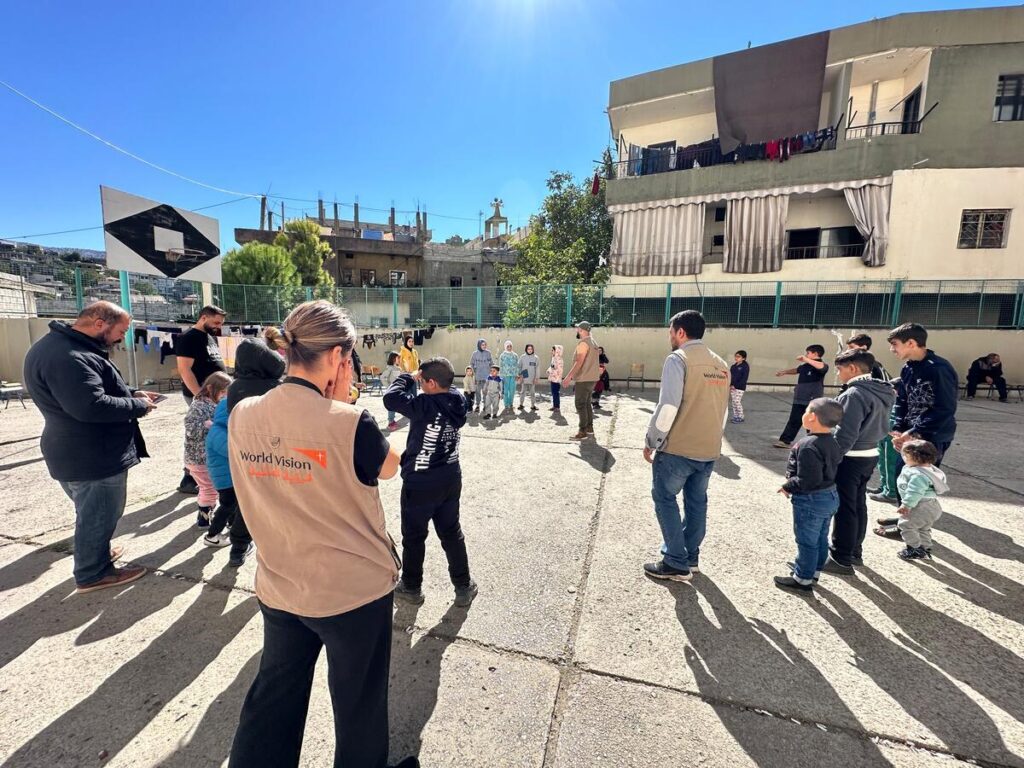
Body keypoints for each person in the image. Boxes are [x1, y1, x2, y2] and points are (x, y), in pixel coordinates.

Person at [226, 300, 412, 768]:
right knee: (359, 706)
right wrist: (344, 402)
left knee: (274, 697)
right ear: (336, 357)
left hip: (281, 583)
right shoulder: (351, 422)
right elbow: (389, 469)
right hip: (352, 593)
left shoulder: (242, 411)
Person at [23, 302, 156, 593]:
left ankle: (96, 553)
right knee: (99, 514)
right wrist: (138, 406)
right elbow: (90, 406)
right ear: (99, 323)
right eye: (120, 331)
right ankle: (93, 572)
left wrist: (130, 393)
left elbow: (88, 391)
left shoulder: (61, 347)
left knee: (92, 511)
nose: (122, 338)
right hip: (92, 455)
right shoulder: (69, 355)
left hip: (77, 451)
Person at [642, 311, 730, 582]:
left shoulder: (678, 359)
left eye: (671, 331)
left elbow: (668, 406)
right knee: (696, 503)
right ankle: (690, 557)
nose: (670, 336)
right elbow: (723, 411)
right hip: (708, 448)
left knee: (665, 499)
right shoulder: (721, 364)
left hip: (678, 448)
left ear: (680, 332)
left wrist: (652, 440)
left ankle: (675, 562)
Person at [383, 357, 477, 607]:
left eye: (423, 381)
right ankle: (463, 585)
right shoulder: (457, 399)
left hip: (420, 483)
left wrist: (407, 377)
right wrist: (424, 376)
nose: (420, 384)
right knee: (451, 532)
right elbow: (447, 385)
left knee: (414, 537)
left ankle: (412, 587)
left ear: (432, 383)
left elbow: (390, 398)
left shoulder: (424, 404)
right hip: (449, 477)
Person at [206, 332, 286, 565]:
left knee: (245, 503)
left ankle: (238, 548)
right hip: (275, 455)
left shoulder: (234, 388)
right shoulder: (277, 387)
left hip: (245, 456)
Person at [872, 323, 958, 515]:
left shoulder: (938, 369)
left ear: (911, 343)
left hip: (931, 436)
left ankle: (916, 532)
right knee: (903, 479)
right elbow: (903, 399)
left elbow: (944, 409)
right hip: (910, 435)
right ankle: (904, 522)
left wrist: (913, 432)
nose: (891, 349)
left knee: (920, 484)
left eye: (894, 344)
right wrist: (898, 427)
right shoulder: (908, 368)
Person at [823, 349, 895, 575]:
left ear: (852, 368)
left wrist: (831, 458)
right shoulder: (881, 390)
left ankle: (841, 557)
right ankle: (854, 550)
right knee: (857, 504)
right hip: (870, 454)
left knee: (844, 508)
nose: (838, 374)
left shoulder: (853, 394)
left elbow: (846, 433)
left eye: (840, 369)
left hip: (850, 457)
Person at [773, 398, 845, 593]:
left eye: (805, 411)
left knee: (806, 540)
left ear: (812, 417)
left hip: (811, 499)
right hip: (829, 495)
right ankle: (813, 570)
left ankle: (802, 578)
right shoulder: (832, 441)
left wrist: (788, 485)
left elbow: (808, 479)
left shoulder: (808, 445)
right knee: (820, 537)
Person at [175, 305, 227, 494]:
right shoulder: (188, 338)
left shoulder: (210, 338)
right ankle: (189, 478)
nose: (218, 326)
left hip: (215, 395)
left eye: (221, 323)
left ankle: (203, 476)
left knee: (211, 432)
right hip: (202, 396)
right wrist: (200, 395)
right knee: (199, 433)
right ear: (203, 318)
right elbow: (185, 370)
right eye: (216, 322)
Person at [184, 371, 232, 528]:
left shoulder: (214, 404)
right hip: (199, 459)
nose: (225, 396)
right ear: (210, 388)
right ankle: (205, 520)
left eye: (227, 393)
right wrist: (208, 425)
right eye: (222, 392)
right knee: (209, 489)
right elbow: (190, 428)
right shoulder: (199, 405)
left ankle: (204, 516)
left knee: (207, 488)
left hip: (205, 458)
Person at [893, 439, 948, 560]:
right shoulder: (930, 469)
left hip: (920, 505)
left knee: (906, 526)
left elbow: (915, 491)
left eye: (906, 455)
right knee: (924, 528)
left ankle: (914, 549)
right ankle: (925, 548)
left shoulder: (918, 475)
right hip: (932, 506)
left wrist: (906, 505)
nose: (904, 458)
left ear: (915, 458)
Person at [773, 344, 829, 448]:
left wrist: (805, 359)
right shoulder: (805, 365)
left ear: (816, 354)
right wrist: (784, 372)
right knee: (794, 419)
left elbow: (822, 367)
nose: (806, 355)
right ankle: (785, 441)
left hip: (812, 399)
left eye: (808, 353)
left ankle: (814, 442)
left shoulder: (821, 365)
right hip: (799, 397)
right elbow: (797, 370)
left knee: (812, 420)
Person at [562, 321, 601, 440]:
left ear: (582, 330)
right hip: (592, 378)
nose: (576, 330)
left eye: (577, 329)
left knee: (580, 404)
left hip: (584, 378)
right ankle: (589, 428)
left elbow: (579, 362)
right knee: (587, 403)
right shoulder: (593, 343)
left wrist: (569, 376)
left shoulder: (583, 344)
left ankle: (582, 431)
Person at [469, 339, 493, 413]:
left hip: (486, 376)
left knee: (485, 392)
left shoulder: (488, 353)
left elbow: (491, 363)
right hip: (478, 377)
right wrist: (473, 372)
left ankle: (485, 405)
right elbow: (471, 363)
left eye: (485, 345)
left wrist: (493, 370)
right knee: (478, 392)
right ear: (479, 345)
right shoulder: (475, 354)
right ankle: (478, 405)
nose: (484, 346)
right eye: (482, 345)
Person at [381, 351, 402, 431]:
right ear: (393, 359)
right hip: (392, 392)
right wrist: (389, 387)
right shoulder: (389, 368)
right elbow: (383, 378)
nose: (399, 359)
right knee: (391, 407)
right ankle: (391, 422)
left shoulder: (398, 368)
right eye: (398, 358)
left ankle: (393, 420)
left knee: (396, 406)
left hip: (398, 390)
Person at [498, 341, 520, 413]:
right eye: (508, 346)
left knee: (512, 391)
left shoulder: (515, 355)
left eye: (510, 346)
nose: (509, 348)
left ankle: (510, 404)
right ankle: (506, 404)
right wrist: (500, 376)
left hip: (513, 375)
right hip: (505, 375)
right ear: (505, 347)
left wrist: (517, 374)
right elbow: (500, 366)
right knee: (505, 390)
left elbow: (517, 366)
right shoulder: (502, 355)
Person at [518, 343, 540, 411]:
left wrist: (536, 378)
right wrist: (520, 376)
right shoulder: (522, 357)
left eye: (531, 349)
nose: (530, 350)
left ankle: (533, 405)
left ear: (533, 350)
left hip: (532, 378)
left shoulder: (536, 358)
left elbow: (537, 368)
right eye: (528, 349)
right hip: (524, 377)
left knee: (532, 393)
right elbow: (519, 366)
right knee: (522, 392)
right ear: (526, 349)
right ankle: (521, 404)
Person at [729, 350, 749, 424]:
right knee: (734, 402)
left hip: (740, 388)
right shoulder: (733, 366)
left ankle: (741, 417)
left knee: (737, 401)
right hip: (732, 387)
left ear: (743, 358)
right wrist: (730, 385)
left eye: (738, 356)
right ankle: (736, 416)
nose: (736, 358)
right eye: (735, 356)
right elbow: (730, 376)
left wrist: (736, 386)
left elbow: (744, 378)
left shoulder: (745, 367)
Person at [548, 345, 564, 413]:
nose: (551, 351)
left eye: (553, 350)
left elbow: (560, 370)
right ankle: (554, 405)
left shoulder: (559, 360)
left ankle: (557, 407)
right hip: (552, 378)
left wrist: (553, 372)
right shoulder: (553, 358)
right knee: (553, 393)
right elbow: (551, 367)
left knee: (556, 393)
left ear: (557, 351)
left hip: (556, 379)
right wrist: (549, 370)